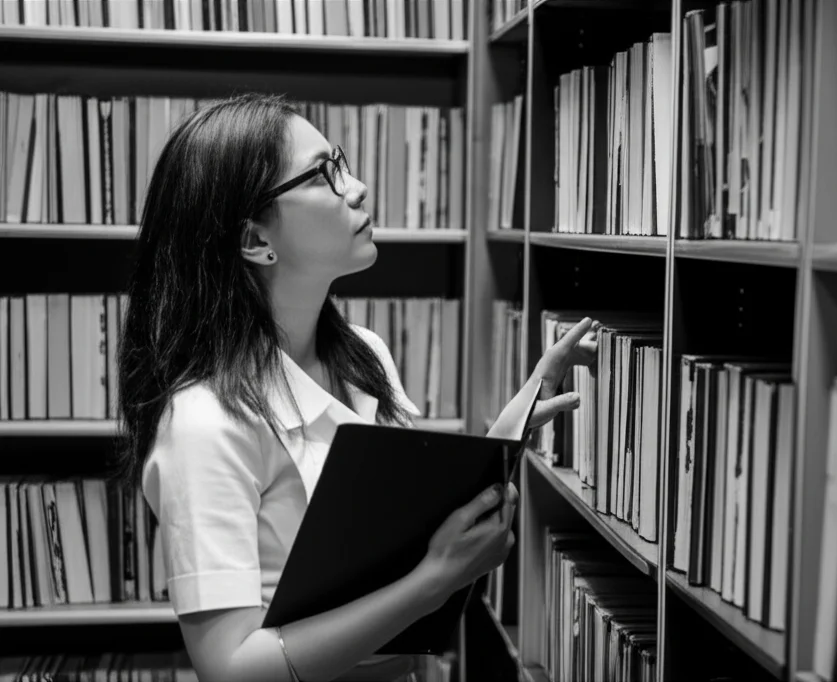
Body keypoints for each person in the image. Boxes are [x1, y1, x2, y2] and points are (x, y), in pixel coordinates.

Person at [114, 93, 596, 682]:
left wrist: (504, 438)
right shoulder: (203, 421)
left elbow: (393, 533)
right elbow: (232, 670)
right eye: (324, 175)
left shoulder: (365, 354)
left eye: (340, 163)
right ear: (254, 241)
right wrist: (433, 582)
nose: (359, 187)